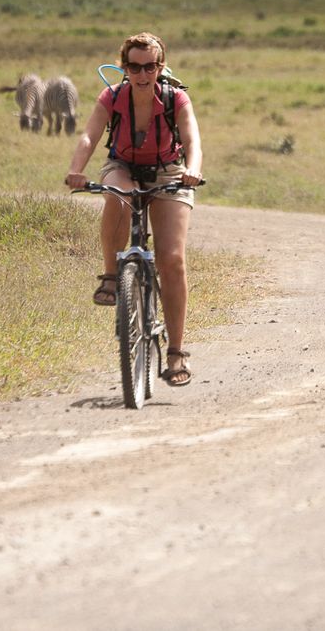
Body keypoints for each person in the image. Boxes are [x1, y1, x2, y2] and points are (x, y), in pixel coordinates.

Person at [65, 32, 204, 387]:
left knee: (172, 260)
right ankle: (112, 275)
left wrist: (193, 169)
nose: (142, 74)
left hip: (170, 170)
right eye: (134, 66)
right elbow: (89, 136)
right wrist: (77, 169)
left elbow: (192, 140)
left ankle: (175, 353)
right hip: (123, 165)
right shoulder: (111, 97)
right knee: (117, 194)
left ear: (160, 67)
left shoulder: (176, 98)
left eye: (150, 66)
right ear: (124, 67)